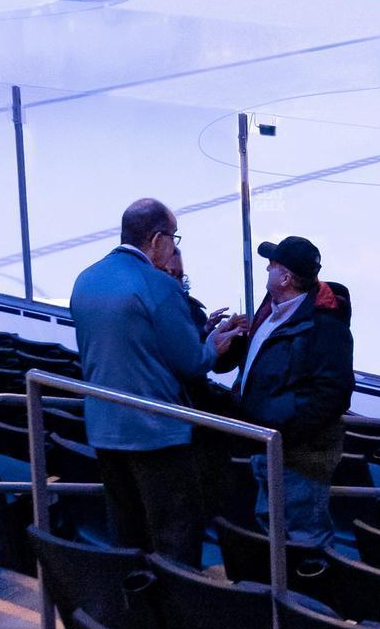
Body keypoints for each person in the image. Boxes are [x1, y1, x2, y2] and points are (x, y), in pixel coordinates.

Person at [69, 199, 244, 566]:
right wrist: (213, 343)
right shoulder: (158, 286)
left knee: (127, 534)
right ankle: (179, 620)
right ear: (158, 238)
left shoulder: (85, 278)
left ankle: (136, 617)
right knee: (174, 538)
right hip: (156, 433)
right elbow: (192, 362)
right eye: (174, 237)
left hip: (104, 429)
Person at [214, 236, 353, 549]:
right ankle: (281, 595)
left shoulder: (325, 326)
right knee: (271, 529)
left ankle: (310, 597)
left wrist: (285, 428)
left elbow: (334, 393)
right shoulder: (271, 306)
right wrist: (228, 343)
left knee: (305, 538)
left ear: (287, 278)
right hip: (265, 443)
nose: (266, 268)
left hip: (298, 455)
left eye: (272, 265)